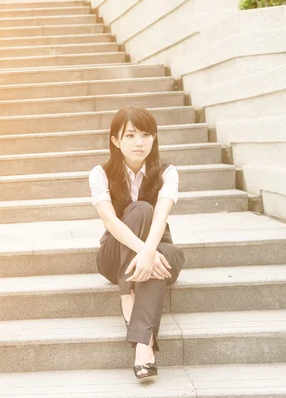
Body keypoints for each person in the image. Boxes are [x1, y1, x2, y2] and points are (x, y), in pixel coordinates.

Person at [89, 106, 185, 381]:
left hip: (161, 248)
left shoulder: (168, 173)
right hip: (113, 255)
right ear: (115, 140)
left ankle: (143, 346)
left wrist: (150, 252)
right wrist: (145, 252)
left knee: (153, 233)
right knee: (140, 210)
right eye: (129, 135)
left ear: (154, 139)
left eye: (145, 135)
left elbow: (161, 216)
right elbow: (110, 221)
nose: (139, 142)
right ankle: (128, 294)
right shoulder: (100, 173)